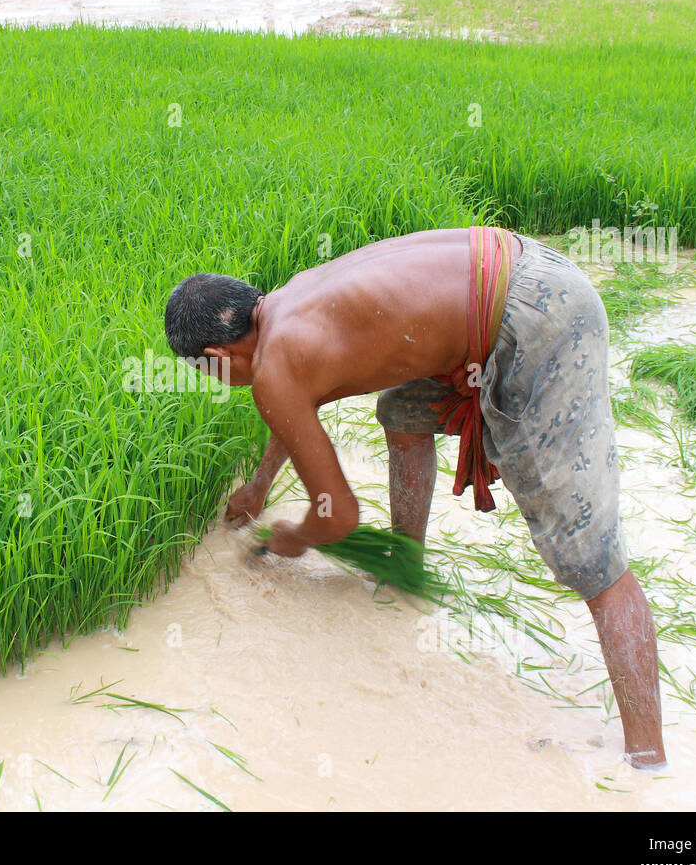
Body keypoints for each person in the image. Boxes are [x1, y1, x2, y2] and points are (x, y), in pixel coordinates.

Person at [163, 226, 666, 769]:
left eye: (207, 373)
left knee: (589, 560)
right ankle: (407, 564)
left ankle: (647, 760)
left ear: (216, 355)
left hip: (539, 320)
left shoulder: (272, 370)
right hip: (520, 266)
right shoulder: (288, 303)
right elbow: (297, 404)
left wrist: (294, 537)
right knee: (403, 411)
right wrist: (261, 484)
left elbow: (339, 516)